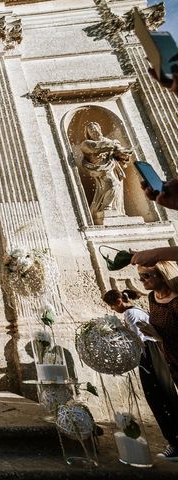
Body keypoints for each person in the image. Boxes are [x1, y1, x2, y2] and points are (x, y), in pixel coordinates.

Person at [103, 289, 178, 460]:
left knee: (159, 397)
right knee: (164, 395)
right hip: (153, 354)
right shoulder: (137, 311)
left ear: (118, 302)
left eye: (112, 306)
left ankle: (175, 442)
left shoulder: (130, 313)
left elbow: (137, 340)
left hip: (148, 355)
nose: (113, 310)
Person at [137, 261, 178, 460]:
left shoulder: (176, 300)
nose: (142, 281)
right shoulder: (153, 298)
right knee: (166, 399)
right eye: (140, 277)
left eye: (146, 276)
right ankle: (175, 442)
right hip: (167, 354)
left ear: (162, 275)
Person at [80, 122, 133, 224]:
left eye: (95, 129)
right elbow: (96, 148)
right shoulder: (86, 143)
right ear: (88, 134)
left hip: (112, 169)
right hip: (99, 170)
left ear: (99, 129)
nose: (94, 132)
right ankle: (107, 208)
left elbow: (120, 155)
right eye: (91, 130)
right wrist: (113, 144)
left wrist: (124, 154)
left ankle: (114, 210)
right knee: (112, 184)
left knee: (116, 188)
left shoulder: (109, 142)